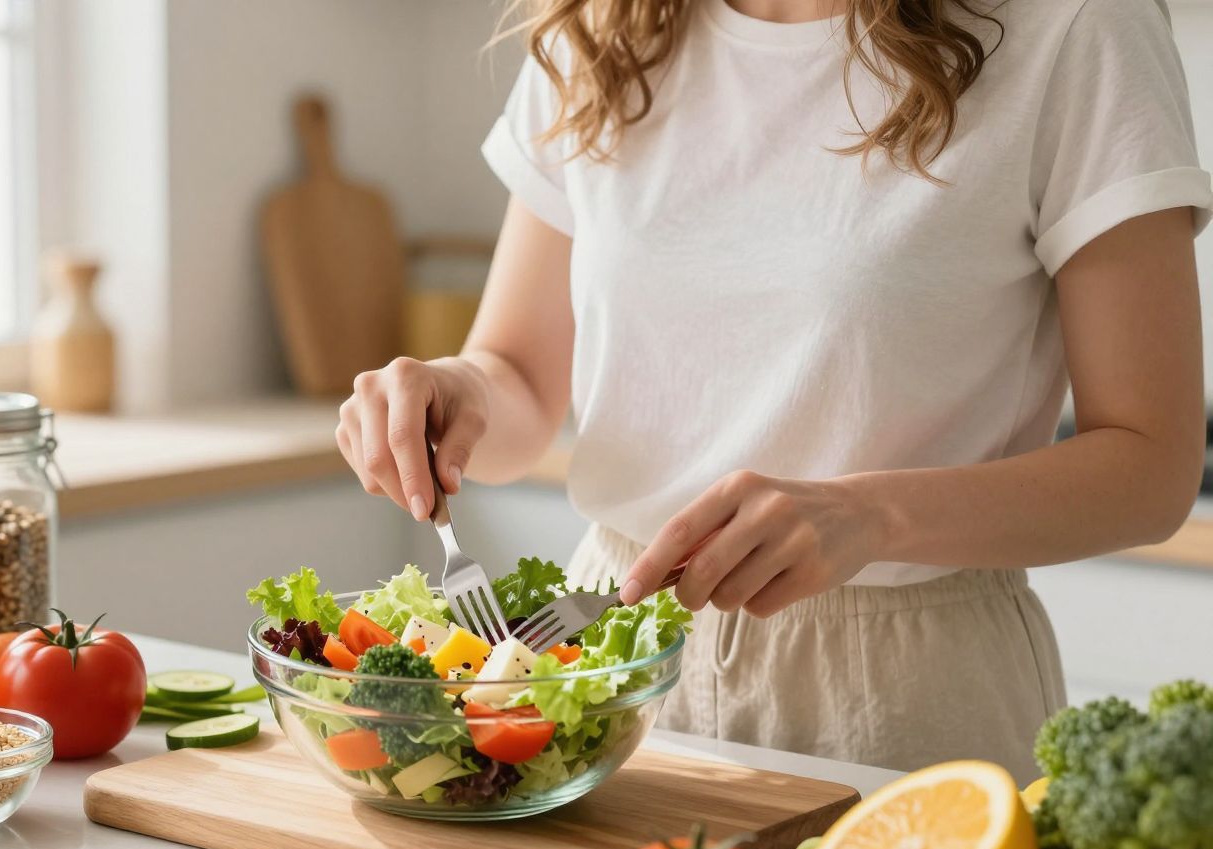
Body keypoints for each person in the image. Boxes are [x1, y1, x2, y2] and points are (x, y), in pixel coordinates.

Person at [334, 0, 1211, 778]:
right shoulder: (599, 25)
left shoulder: (1077, 26)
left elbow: (1151, 466)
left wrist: (872, 515)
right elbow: (520, 380)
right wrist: (458, 392)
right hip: (608, 655)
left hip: (904, 690)